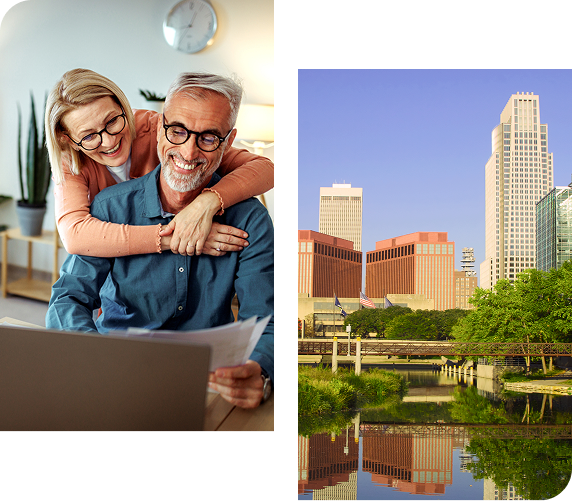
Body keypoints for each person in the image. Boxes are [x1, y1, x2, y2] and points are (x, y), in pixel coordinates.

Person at [46, 73, 273, 409]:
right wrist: (95, 357)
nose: (188, 150)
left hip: (209, 382)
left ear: (228, 141)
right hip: (116, 369)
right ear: (162, 128)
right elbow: (67, 297)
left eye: (209, 137)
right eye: (178, 131)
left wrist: (262, 371)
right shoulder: (107, 203)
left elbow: (267, 319)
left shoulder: (250, 219)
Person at [45, 68, 273, 257]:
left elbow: (265, 169)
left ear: (123, 107)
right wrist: (177, 237)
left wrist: (206, 203)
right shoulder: (71, 162)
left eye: (113, 120)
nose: (109, 141)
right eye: (89, 136)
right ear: (70, 141)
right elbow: (74, 235)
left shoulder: (165, 132)